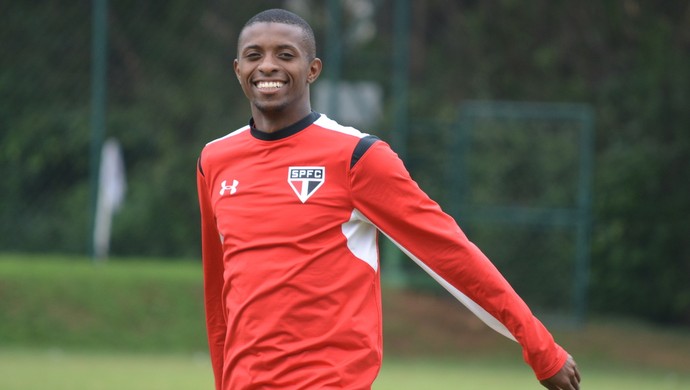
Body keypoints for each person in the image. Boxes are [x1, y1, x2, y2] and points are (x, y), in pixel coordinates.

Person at [196, 8, 581, 390]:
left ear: (312, 69)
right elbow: (218, 291)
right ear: (237, 69)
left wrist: (539, 346)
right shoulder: (215, 160)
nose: (267, 66)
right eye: (254, 55)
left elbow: (451, 253)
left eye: (284, 55)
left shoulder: (356, 156)